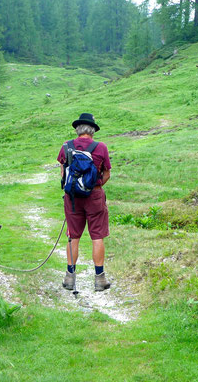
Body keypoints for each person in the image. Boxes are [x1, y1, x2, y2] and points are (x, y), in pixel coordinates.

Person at [57, 113, 111, 291]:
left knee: (73, 237)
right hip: (94, 197)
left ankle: (70, 278)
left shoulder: (66, 146)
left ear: (78, 130)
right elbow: (107, 174)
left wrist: (75, 188)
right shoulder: (100, 147)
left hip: (72, 198)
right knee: (97, 236)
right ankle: (99, 279)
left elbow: (63, 174)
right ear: (93, 130)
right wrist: (94, 187)